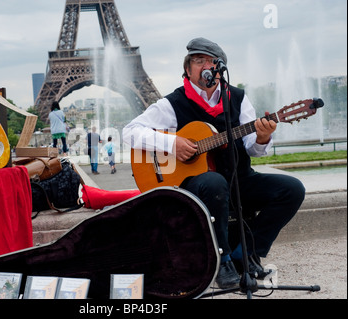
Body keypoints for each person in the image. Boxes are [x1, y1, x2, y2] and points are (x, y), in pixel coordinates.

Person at [122, 37, 305, 289]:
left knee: (292, 189)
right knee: (213, 181)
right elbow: (130, 132)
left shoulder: (238, 98)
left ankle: (247, 253)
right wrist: (171, 144)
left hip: (239, 181)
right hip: (197, 187)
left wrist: (263, 136)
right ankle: (223, 259)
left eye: (211, 62)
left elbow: (254, 149)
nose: (206, 66)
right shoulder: (171, 104)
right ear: (188, 69)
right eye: (198, 61)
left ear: (220, 69)